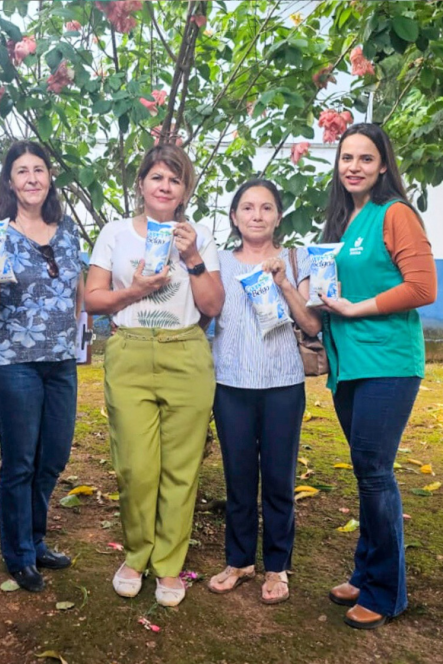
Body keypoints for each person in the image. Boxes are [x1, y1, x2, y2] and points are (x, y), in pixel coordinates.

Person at [85, 144, 223, 606]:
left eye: (175, 180)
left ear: (186, 189)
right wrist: (135, 290)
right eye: (157, 177)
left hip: (185, 354)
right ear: (141, 183)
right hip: (130, 351)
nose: (165, 187)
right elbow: (93, 300)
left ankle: (167, 565)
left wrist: (194, 257)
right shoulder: (115, 233)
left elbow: (213, 306)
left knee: (181, 467)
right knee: (136, 467)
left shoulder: (200, 235)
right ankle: (136, 553)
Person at [318, 123, 435, 629]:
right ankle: (366, 573)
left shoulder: (395, 214)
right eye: (347, 158)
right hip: (351, 366)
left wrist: (355, 307)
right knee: (367, 473)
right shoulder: (347, 220)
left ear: (384, 165)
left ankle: (387, 592)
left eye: (366, 159)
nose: (354, 167)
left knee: (375, 472)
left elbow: (423, 287)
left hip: (388, 364)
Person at [0, 142, 83, 592]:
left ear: (49, 177)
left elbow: (76, 293)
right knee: (20, 462)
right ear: (9, 182)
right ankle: (19, 553)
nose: (32, 178)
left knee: (52, 457)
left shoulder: (68, 230)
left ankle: (35, 540)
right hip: (11, 361)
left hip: (60, 362)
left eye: (39, 169)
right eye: (22, 171)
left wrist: (76, 337)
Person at [206, 180, 320, 604]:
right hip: (231, 384)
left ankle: (277, 566)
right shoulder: (217, 262)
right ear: (234, 216)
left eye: (266, 207)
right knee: (238, 478)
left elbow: (311, 325)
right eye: (247, 207)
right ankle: (238, 560)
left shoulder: (297, 257)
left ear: (278, 216)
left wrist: (285, 282)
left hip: (282, 385)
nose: (257, 215)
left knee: (277, 479)